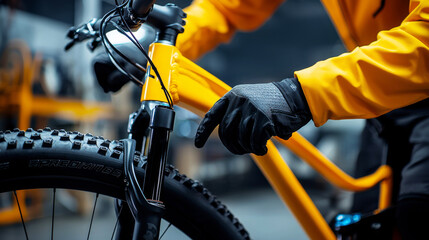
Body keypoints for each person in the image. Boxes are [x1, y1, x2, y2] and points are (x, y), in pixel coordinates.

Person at [175, 0, 429, 239]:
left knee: (416, 214)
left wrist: (298, 95)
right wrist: (165, 40)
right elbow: (227, 7)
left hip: (416, 85)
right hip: (383, 100)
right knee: (366, 227)